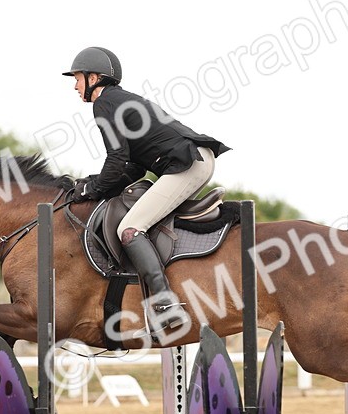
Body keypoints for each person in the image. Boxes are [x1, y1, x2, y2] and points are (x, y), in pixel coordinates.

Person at [64, 47, 230, 332]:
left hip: (187, 164)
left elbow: (116, 159)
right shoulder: (120, 100)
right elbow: (133, 168)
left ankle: (165, 303)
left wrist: (90, 190)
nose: (75, 85)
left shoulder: (103, 103)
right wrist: (93, 183)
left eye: (78, 78)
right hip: (194, 160)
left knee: (130, 229)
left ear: (94, 78)